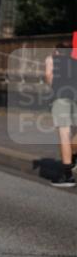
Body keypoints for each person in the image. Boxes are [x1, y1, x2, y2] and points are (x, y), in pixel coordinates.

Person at [46, 40, 77, 187]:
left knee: (64, 135)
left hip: (61, 98)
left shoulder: (52, 59)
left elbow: (48, 76)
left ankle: (67, 176)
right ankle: (74, 157)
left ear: (57, 51)